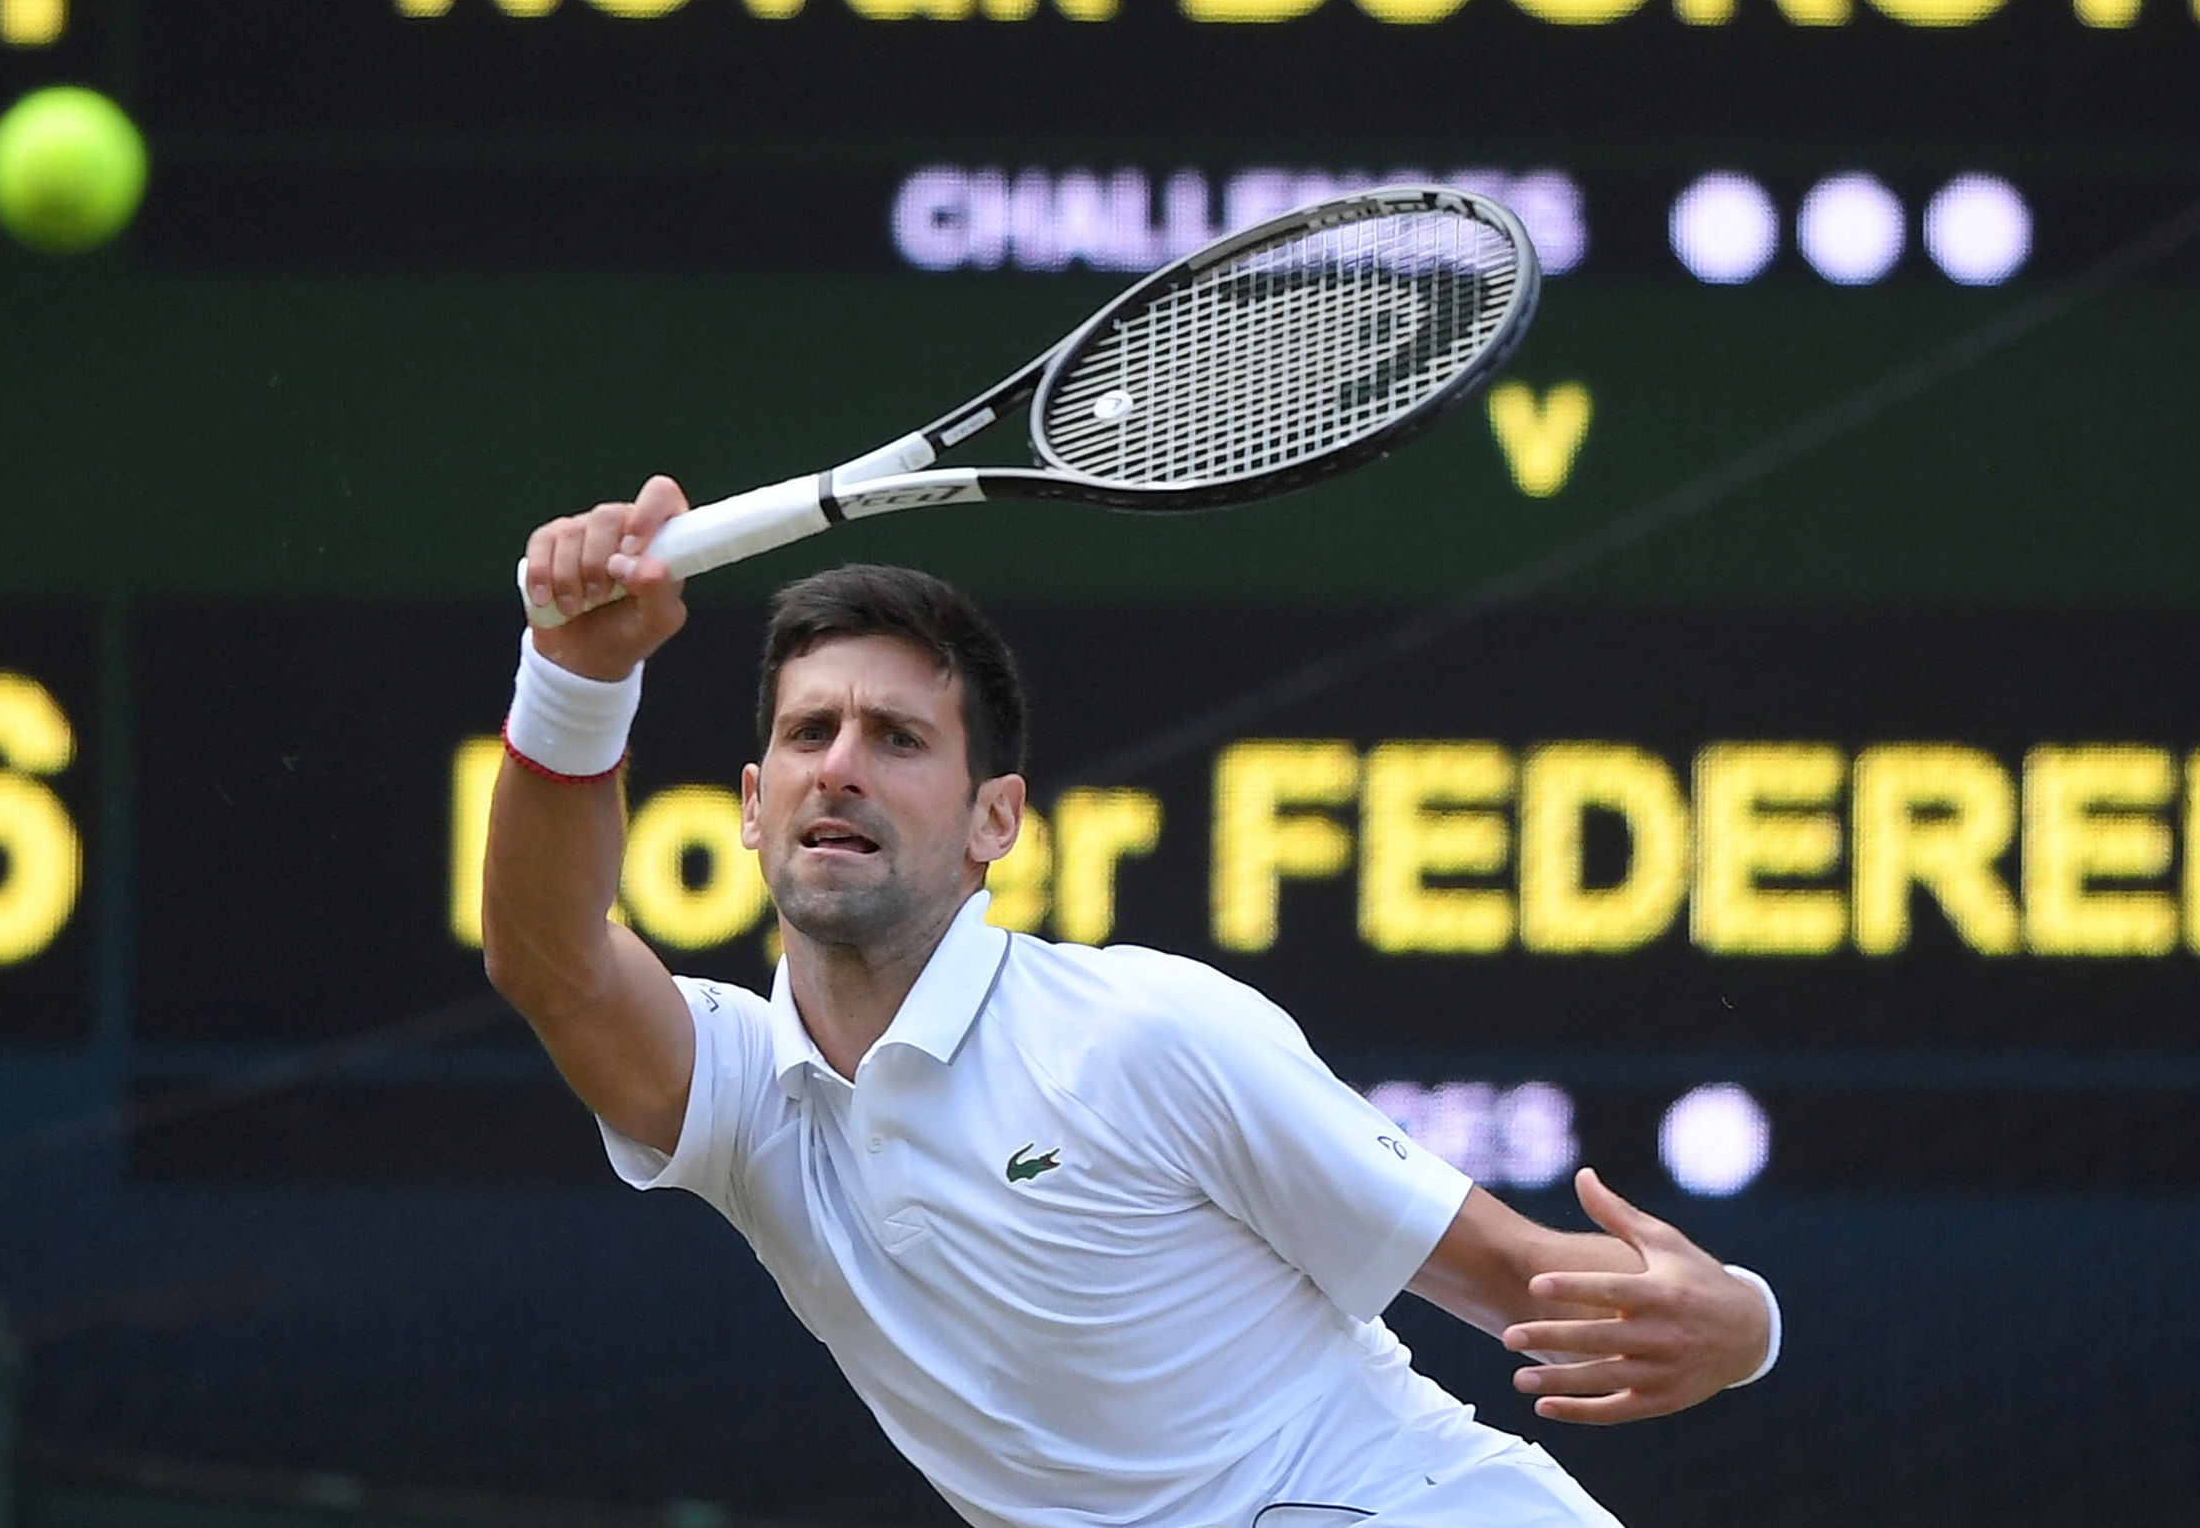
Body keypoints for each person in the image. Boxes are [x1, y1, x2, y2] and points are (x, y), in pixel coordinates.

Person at [486, 478, 1782, 1528]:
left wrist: (1741, 1324)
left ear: (995, 818)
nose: (841, 767)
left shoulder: (1141, 1034)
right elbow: (551, 962)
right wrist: (576, 675)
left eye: (897, 738)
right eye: (807, 732)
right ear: (752, 805)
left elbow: (1509, 1274)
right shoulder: (740, 1100)